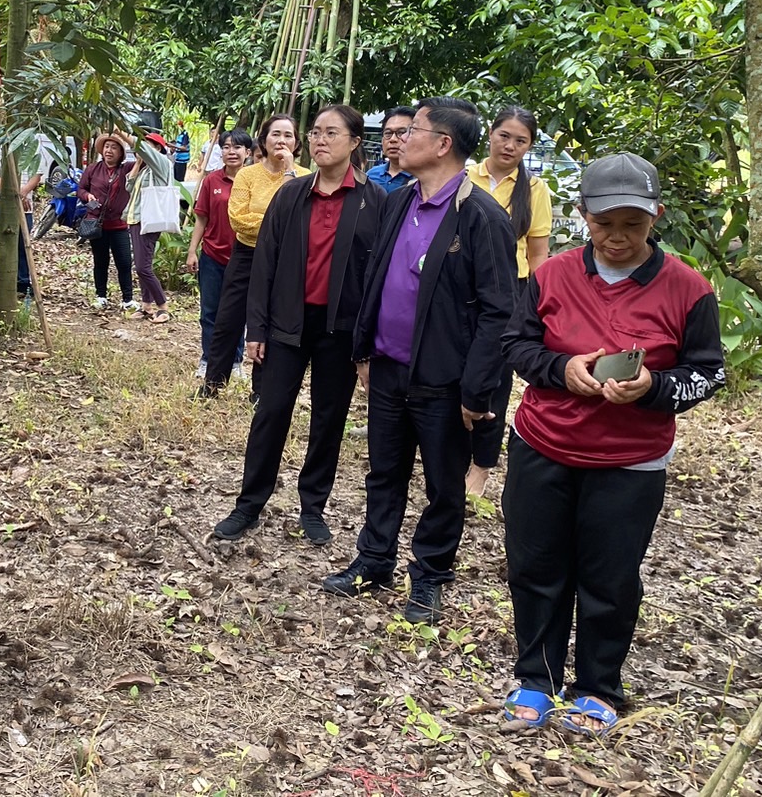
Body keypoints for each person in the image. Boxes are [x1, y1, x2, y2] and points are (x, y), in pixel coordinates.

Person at [499, 153, 724, 733]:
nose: (617, 237)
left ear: (656, 218)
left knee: (611, 576)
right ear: (583, 217)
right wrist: (561, 368)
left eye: (633, 224)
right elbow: (517, 346)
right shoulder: (550, 276)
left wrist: (653, 388)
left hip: (630, 460)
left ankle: (597, 686)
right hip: (544, 443)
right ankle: (536, 680)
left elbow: (708, 372)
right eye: (605, 223)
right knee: (535, 565)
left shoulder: (688, 290)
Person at [323, 97, 515, 624]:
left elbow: (500, 313)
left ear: (443, 144)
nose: (400, 139)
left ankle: (429, 575)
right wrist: (364, 348)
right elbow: (376, 278)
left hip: (445, 381)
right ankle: (374, 560)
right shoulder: (400, 200)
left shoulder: (480, 217)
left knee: (442, 485)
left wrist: (475, 391)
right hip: (388, 368)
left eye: (413, 131)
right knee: (383, 471)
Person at [211, 106, 385, 544]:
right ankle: (248, 504)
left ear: (354, 141)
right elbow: (264, 264)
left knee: (329, 418)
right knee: (270, 412)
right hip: (287, 322)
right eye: (315, 133)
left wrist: (367, 342)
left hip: (340, 328)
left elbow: (380, 276)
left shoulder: (375, 201)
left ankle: (313, 507)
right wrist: (258, 330)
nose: (319, 140)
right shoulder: (291, 195)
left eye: (331, 132)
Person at [465, 105, 554, 497]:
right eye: (505, 136)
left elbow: (538, 254)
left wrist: (536, 304)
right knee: (453, 369)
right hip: (458, 287)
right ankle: (451, 450)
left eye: (521, 141)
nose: (510, 146)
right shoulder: (466, 176)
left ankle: (481, 464)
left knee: (494, 380)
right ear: (490, 134)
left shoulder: (534, 191)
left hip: (509, 292)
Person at [197, 115, 302, 398]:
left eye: (288, 135)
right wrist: (278, 221)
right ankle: (213, 383)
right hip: (246, 254)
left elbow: (300, 222)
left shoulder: (304, 176)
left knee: (271, 322)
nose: (281, 140)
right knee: (227, 319)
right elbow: (239, 220)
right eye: (275, 134)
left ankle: (260, 392)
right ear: (263, 139)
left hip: (284, 259)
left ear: (296, 141)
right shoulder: (247, 174)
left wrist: (289, 172)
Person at [186, 129, 254, 376]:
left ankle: (235, 362)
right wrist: (192, 251)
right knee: (210, 311)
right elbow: (201, 219)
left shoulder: (254, 181)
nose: (231, 152)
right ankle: (208, 359)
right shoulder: (212, 181)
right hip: (213, 256)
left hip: (245, 257)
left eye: (237, 148)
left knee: (237, 313)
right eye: (226, 147)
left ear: (248, 153)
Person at [0, 134, 46, 298]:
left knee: (23, 247)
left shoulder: (31, 145)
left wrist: (22, 194)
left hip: (26, 208)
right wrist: (18, 196)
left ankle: (22, 284)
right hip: (0, 208)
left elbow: (37, 175)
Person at [77, 132, 135, 311]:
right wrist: (87, 196)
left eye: (114, 147)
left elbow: (144, 158)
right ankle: (101, 296)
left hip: (119, 225)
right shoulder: (93, 169)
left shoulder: (127, 169)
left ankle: (128, 299)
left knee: (124, 263)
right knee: (100, 262)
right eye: (107, 147)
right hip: (97, 225)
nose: (109, 151)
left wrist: (126, 137)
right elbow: (80, 189)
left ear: (121, 152)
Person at [125, 131, 176, 323]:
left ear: (157, 149)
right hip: (136, 219)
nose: (143, 149)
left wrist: (121, 132)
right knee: (142, 264)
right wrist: (138, 164)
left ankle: (163, 307)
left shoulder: (162, 164)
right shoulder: (146, 170)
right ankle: (146, 305)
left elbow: (141, 148)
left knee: (142, 267)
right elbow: (128, 188)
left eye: (149, 145)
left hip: (148, 220)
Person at [367, 107, 416, 194]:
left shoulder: (421, 178)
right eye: (388, 133)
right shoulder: (371, 175)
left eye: (401, 132)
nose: (393, 139)